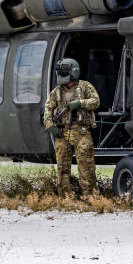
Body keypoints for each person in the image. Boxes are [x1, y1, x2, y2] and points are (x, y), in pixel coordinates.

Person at [43, 58, 100, 197]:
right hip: (62, 133)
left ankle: (90, 197)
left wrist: (79, 103)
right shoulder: (57, 92)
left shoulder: (85, 87)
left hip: (81, 132)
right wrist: (50, 126)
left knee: (86, 167)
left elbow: (96, 102)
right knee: (62, 168)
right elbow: (48, 110)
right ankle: (65, 197)